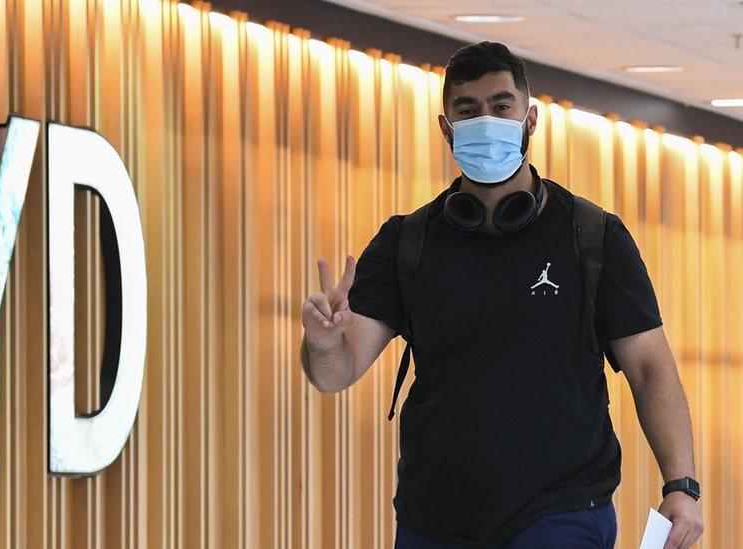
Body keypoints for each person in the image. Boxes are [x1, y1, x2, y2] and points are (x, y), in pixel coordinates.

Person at [299, 41, 704, 548]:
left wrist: (681, 485)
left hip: (562, 510)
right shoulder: (408, 241)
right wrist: (321, 342)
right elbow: (337, 372)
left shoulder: (593, 236)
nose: (484, 121)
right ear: (446, 128)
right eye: (467, 111)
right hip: (434, 516)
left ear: (530, 119)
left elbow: (650, 366)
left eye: (500, 106)